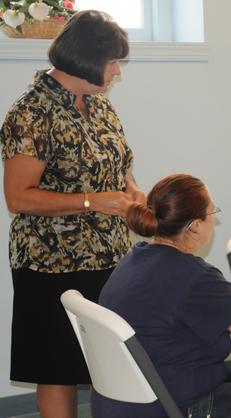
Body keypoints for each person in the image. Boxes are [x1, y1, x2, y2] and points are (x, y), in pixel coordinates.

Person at [0, 10, 144, 418]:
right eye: (112, 62)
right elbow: (19, 197)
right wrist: (92, 201)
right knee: (58, 368)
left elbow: (120, 167)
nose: (116, 71)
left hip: (110, 258)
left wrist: (134, 195)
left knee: (109, 363)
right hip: (51, 263)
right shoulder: (29, 113)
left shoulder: (99, 106)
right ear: (86, 60)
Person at [93, 173, 231, 418]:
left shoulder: (133, 258)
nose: (214, 220)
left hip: (128, 397)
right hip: (172, 405)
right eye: (212, 213)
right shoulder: (193, 275)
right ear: (195, 225)